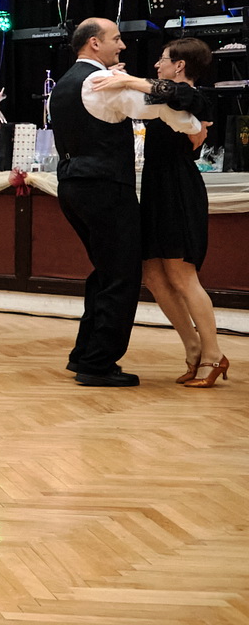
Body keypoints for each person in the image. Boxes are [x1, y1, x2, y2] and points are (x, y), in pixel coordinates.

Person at [52, 18, 202, 387]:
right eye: (116, 39)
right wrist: (194, 127)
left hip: (71, 185)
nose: (122, 46)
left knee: (105, 272)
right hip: (105, 187)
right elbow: (158, 105)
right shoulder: (102, 81)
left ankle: (84, 354)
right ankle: (98, 364)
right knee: (122, 275)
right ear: (94, 44)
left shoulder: (65, 82)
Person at [93, 38, 226, 386]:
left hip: (179, 189)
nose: (157, 64)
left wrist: (127, 79)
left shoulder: (196, 97)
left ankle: (213, 355)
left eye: (163, 59)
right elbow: (146, 96)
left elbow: (171, 92)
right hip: (155, 189)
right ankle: (193, 346)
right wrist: (114, 77)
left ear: (180, 65)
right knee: (152, 275)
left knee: (182, 276)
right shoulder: (162, 96)